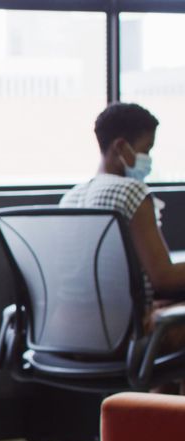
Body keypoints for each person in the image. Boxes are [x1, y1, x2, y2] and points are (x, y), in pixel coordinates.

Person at [59, 101, 185, 395]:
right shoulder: (131, 191)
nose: (147, 159)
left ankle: (153, 433)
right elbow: (163, 277)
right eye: (146, 149)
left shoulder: (73, 197)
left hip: (68, 332)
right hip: (120, 335)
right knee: (172, 325)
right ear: (121, 146)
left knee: (168, 314)